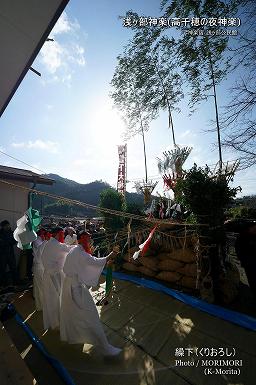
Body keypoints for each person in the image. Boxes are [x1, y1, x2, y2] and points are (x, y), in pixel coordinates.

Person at [60, 231, 122, 357]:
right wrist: (111, 254)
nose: (90, 242)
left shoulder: (75, 250)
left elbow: (85, 262)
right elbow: (96, 262)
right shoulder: (81, 253)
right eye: (88, 240)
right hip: (75, 288)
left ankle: (75, 336)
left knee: (73, 313)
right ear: (84, 240)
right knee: (91, 314)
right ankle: (105, 346)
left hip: (67, 286)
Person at [41, 227, 74, 330]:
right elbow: (70, 249)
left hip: (47, 275)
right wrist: (80, 246)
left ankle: (54, 321)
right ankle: (58, 322)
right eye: (62, 234)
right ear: (57, 234)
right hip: (54, 276)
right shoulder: (57, 245)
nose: (63, 236)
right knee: (56, 299)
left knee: (50, 300)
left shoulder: (49, 244)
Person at [235, 221, 256, 299]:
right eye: (254, 227)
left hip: (251, 262)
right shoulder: (242, 238)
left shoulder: (253, 236)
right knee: (252, 280)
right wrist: (246, 261)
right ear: (249, 228)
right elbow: (239, 252)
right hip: (249, 264)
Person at [32, 229, 48, 311]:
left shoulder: (41, 240)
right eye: (43, 234)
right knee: (40, 286)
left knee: (38, 285)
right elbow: (41, 249)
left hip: (40, 265)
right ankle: (40, 305)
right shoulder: (36, 240)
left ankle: (37, 298)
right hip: (38, 265)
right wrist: (46, 241)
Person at [0, 220, 18, 288]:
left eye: (8, 225)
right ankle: (3, 283)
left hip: (10, 253)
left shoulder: (12, 232)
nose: (8, 227)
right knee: (2, 269)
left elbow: (14, 241)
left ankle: (16, 282)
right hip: (2, 255)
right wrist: (7, 242)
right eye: (6, 226)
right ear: (2, 226)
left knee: (13, 268)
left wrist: (6, 242)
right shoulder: (0, 233)